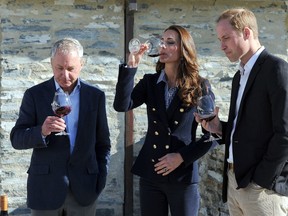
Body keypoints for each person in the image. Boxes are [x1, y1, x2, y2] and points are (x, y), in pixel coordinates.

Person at [114, 25, 216, 216]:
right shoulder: (150, 82)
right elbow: (121, 105)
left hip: (183, 176)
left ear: (184, 49)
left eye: (170, 42)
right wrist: (131, 67)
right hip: (152, 173)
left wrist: (181, 157)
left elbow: (212, 135)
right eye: (162, 41)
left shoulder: (200, 86)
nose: (162, 46)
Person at [196, 8, 288, 215]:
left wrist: (262, 181)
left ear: (247, 33)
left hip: (262, 191)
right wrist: (219, 128)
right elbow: (247, 130)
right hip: (234, 185)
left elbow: (285, 133)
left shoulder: (276, 69)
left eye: (226, 38)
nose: (221, 46)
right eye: (220, 39)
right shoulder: (239, 76)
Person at [10, 38, 111, 216]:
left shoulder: (95, 96)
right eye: (59, 68)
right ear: (51, 64)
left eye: (71, 69)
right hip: (45, 189)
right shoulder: (34, 95)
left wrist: (100, 179)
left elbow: (103, 144)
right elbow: (17, 138)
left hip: (85, 190)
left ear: (81, 64)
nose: (65, 75)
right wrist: (41, 132)